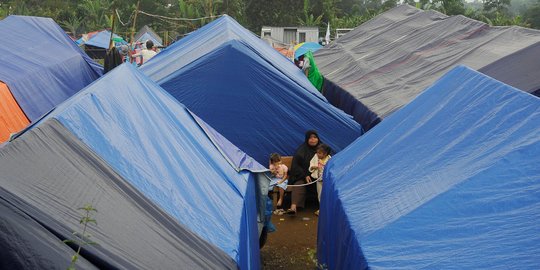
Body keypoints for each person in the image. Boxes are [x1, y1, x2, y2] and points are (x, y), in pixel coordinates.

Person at [286, 130, 321, 215]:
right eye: (310, 138)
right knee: (299, 184)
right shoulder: (302, 150)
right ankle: (293, 207)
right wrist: (305, 175)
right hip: (304, 176)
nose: (313, 140)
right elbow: (296, 165)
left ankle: (323, 207)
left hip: (319, 176)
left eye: (315, 137)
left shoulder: (322, 149)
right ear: (307, 139)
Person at [309, 144, 332, 216]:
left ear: (325, 154)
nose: (317, 154)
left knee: (327, 194)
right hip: (319, 180)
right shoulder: (316, 157)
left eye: (320, 153)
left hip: (327, 181)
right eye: (317, 152)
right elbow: (311, 165)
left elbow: (331, 168)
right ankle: (321, 209)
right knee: (320, 195)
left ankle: (327, 209)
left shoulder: (329, 159)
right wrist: (313, 167)